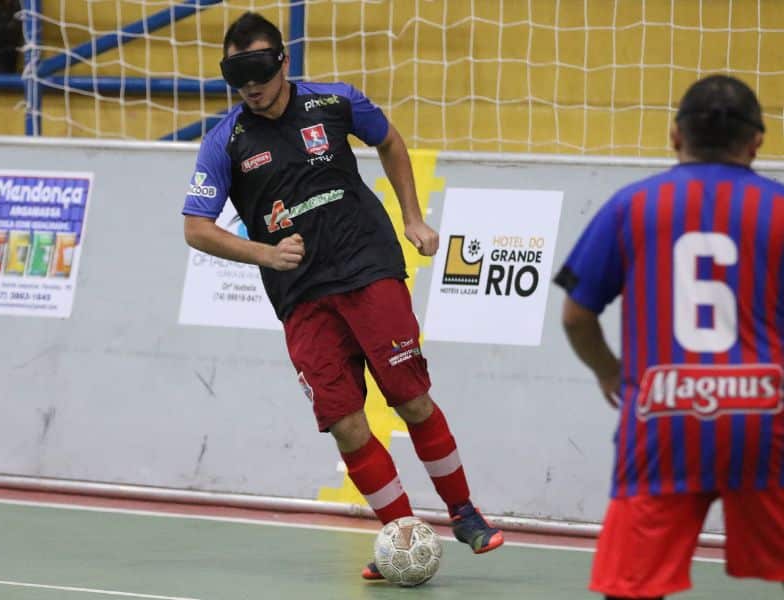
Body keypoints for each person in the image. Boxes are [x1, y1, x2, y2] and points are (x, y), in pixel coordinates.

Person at [181, 12, 503, 579]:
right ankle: (402, 536)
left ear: (283, 61)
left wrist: (413, 218)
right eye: (237, 75)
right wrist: (265, 253)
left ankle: (465, 513)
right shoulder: (224, 142)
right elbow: (196, 227)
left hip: (367, 268)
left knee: (409, 397)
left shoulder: (334, 102)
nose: (250, 85)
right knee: (346, 422)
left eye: (259, 69)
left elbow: (390, 141)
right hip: (301, 297)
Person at [554, 74, 784, 599]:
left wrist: (609, 372)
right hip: (764, 420)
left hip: (662, 420)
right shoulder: (778, 209)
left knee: (631, 585)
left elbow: (575, 316)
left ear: (675, 136)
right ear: (757, 141)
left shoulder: (631, 205)